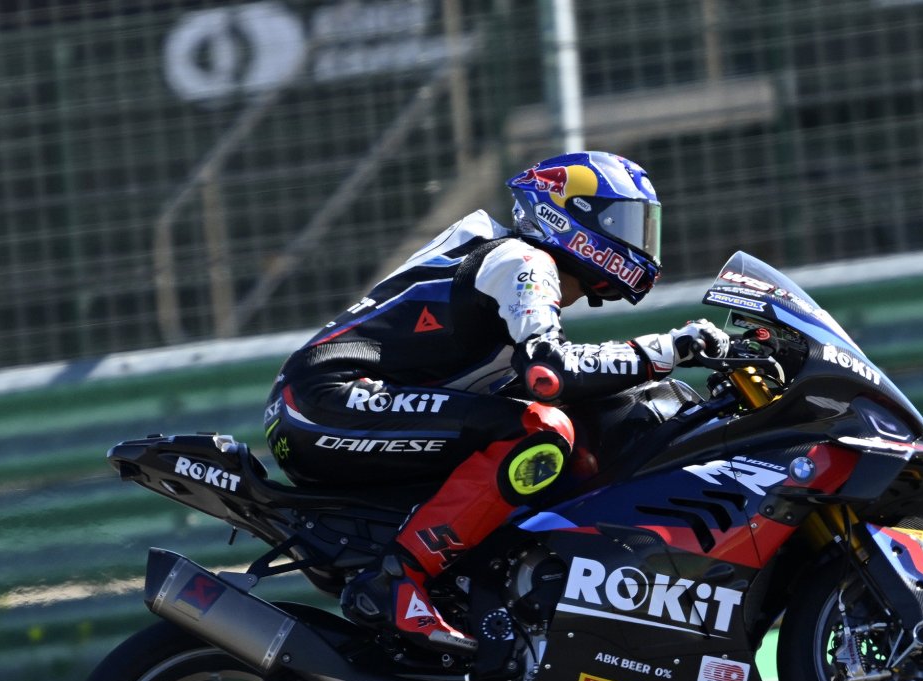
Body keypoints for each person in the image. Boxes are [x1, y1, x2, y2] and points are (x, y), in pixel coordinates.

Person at [263, 151, 728, 653]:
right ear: (567, 214)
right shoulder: (523, 260)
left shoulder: (512, 262)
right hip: (325, 401)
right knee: (541, 428)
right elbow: (552, 373)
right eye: (624, 222)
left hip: (340, 404)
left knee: (541, 435)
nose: (639, 242)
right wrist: (672, 347)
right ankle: (397, 581)